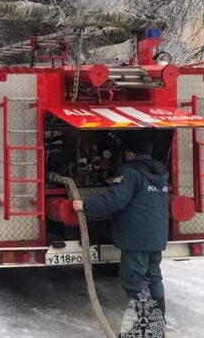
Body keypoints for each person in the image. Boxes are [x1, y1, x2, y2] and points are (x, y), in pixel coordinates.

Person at [72, 136, 168, 320]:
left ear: (130, 153)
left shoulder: (130, 171)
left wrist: (84, 205)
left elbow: (114, 201)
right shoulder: (161, 171)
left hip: (137, 237)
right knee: (153, 276)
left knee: (134, 279)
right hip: (157, 235)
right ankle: (158, 322)